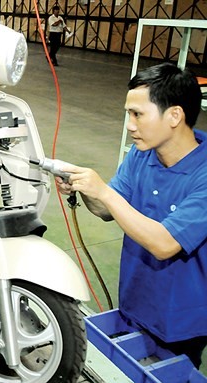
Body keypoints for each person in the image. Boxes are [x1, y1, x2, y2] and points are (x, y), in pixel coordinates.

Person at [57, 62, 207, 368]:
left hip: (182, 320)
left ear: (175, 115)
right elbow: (105, 210)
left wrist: (104, 191)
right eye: (128, 113)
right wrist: (86, 189)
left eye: (137, 114)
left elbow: (165, 244)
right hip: (134, 303)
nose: (129, 124)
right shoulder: (142, 155)